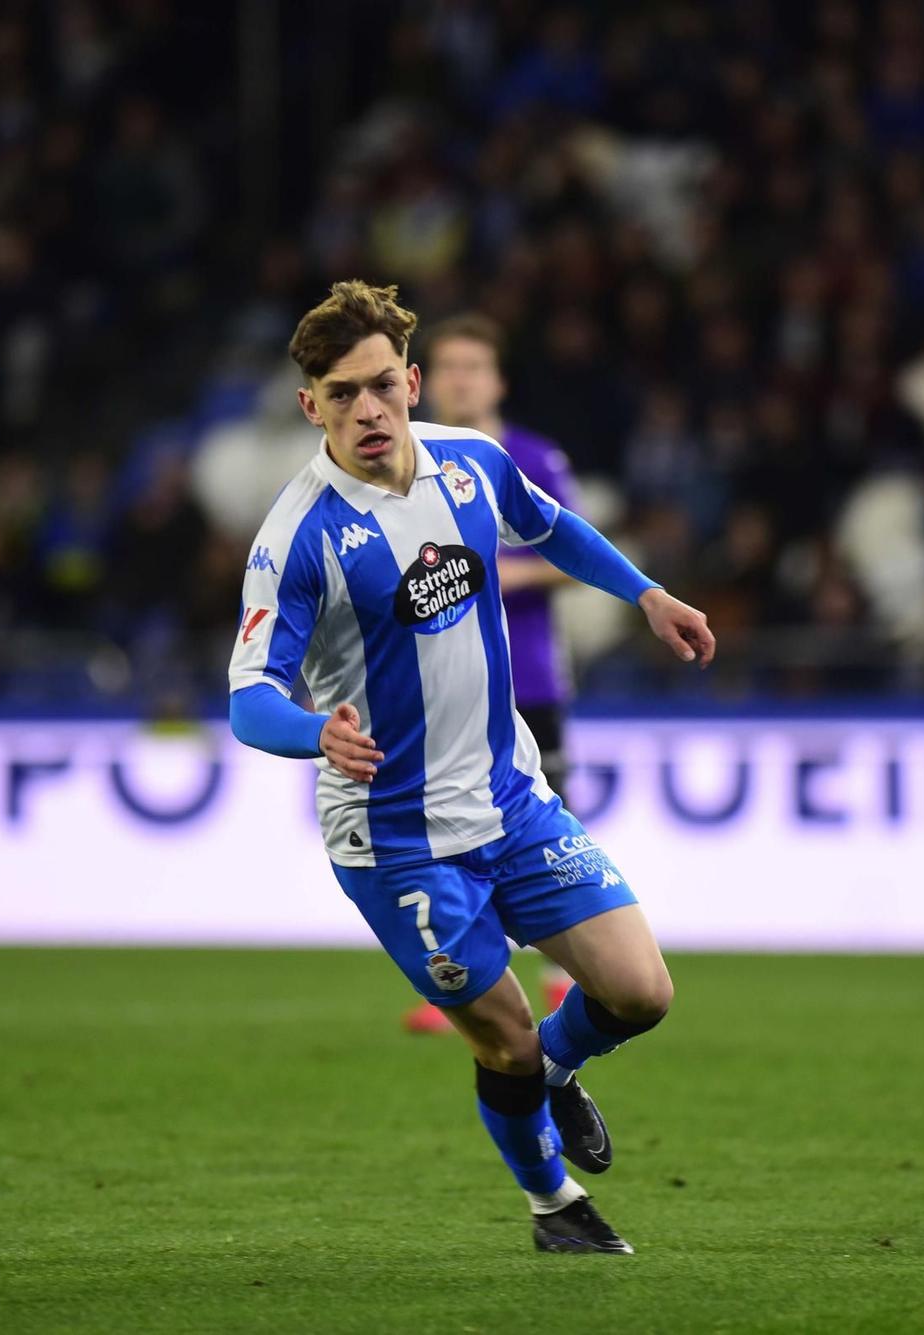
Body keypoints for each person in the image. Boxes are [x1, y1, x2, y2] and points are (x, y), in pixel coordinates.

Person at [228, 280, 714, 1252]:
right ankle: (553, 1206)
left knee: (639, 994)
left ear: (411, 382)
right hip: (397, 839)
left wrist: (644, 593)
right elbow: (248, 701)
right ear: (308, 406)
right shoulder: (297, 539)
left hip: (510, 798)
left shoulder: (471, 462)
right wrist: (315, 731)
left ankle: (557, 1078)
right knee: (505, 1033)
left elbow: (551, 526)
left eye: (379, 386)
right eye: (339, 394)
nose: (366, 410)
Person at [403, 312, 583, 1036]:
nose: (460, 379)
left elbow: (574, 553)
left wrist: (491, 575)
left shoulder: (532, 458)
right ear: (425, 380)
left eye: (474, 366)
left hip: (528, 675)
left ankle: (565, 979)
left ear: (498, 379)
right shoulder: (406, 459)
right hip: (442, 680)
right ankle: (471, 981)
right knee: (447, 825)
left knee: (549, 823)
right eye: (448, 366)